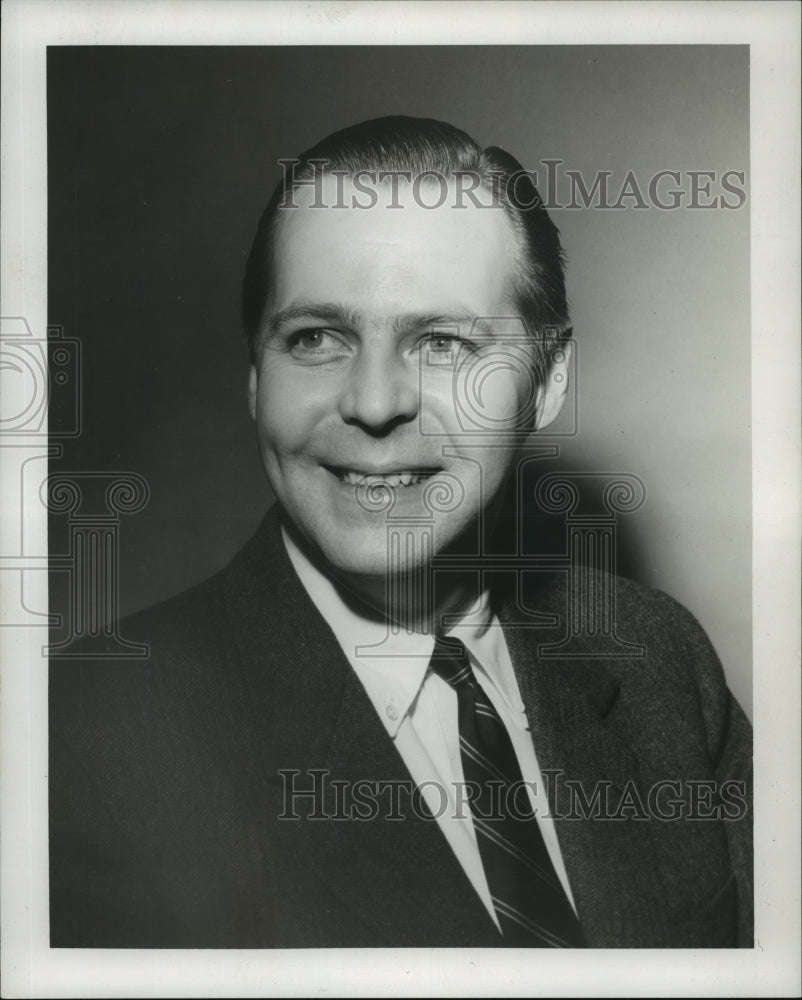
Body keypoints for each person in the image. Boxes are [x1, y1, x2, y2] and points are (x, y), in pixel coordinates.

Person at [49, 116, 752, 948]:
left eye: (444, 342)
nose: (375, 402)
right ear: (253, 376)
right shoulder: (85, 742)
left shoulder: (657, 660)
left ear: (548, 380)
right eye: (316, 338)